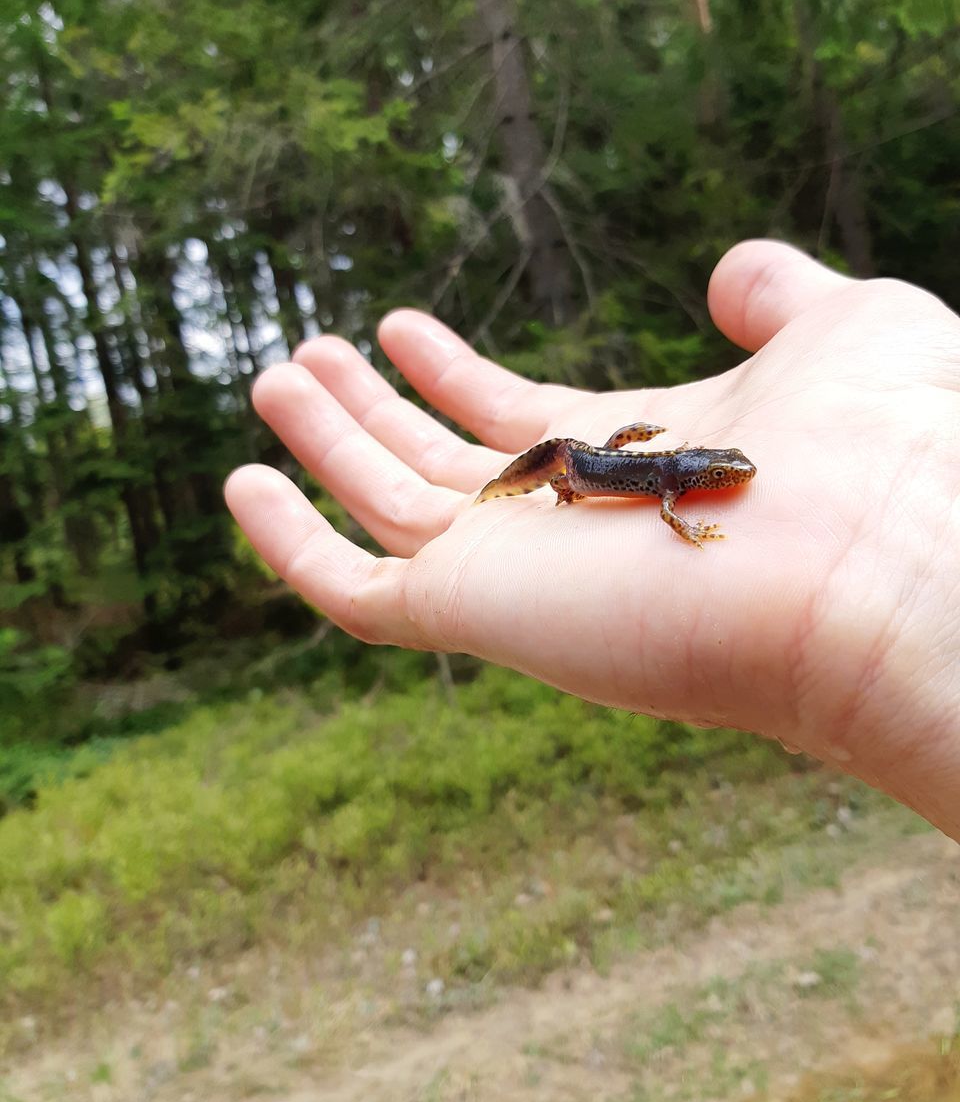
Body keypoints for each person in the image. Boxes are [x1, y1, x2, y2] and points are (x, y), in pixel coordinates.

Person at [225, 240, 960, 842]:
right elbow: (669, 517)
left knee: (589, 463)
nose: (734, 478)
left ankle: (562, 472)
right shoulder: (669, 484)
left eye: (728, 474)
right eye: (728, 473)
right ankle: (537, 480)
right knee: (568, 472)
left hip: (592, 460)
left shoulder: (676, 472)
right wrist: (638, 508)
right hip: (577, 464)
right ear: (703, 476)